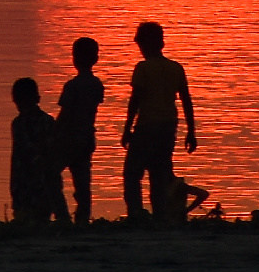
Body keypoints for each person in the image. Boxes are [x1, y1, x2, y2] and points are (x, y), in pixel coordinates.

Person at [121, 21, 197, 221]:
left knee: (132, 174)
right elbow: (187, 101)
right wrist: (191, 132)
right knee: (159, 174)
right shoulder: (175, 68)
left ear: (145, 44)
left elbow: (135, 100)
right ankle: (160, 215)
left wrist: (127, 127)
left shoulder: (143, 68)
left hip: (147, 126)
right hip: (168, 126)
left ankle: (136, 213)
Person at [56, 36, 105, 225]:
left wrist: (54, 134)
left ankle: (62, 215)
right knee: (83, 182)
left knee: (50, 173)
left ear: (74, 58)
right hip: (86, 138)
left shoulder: (72, 86)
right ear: (96, 59)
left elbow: (66, 113)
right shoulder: (96, 84)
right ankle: (82, 218)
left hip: (69, 138)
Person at [9, 78, 68, 225]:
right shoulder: (48, 121)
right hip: (42, 176)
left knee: (27, 216)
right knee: (44, 212)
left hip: (27, 178)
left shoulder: (19, 123)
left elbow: (24, 151)